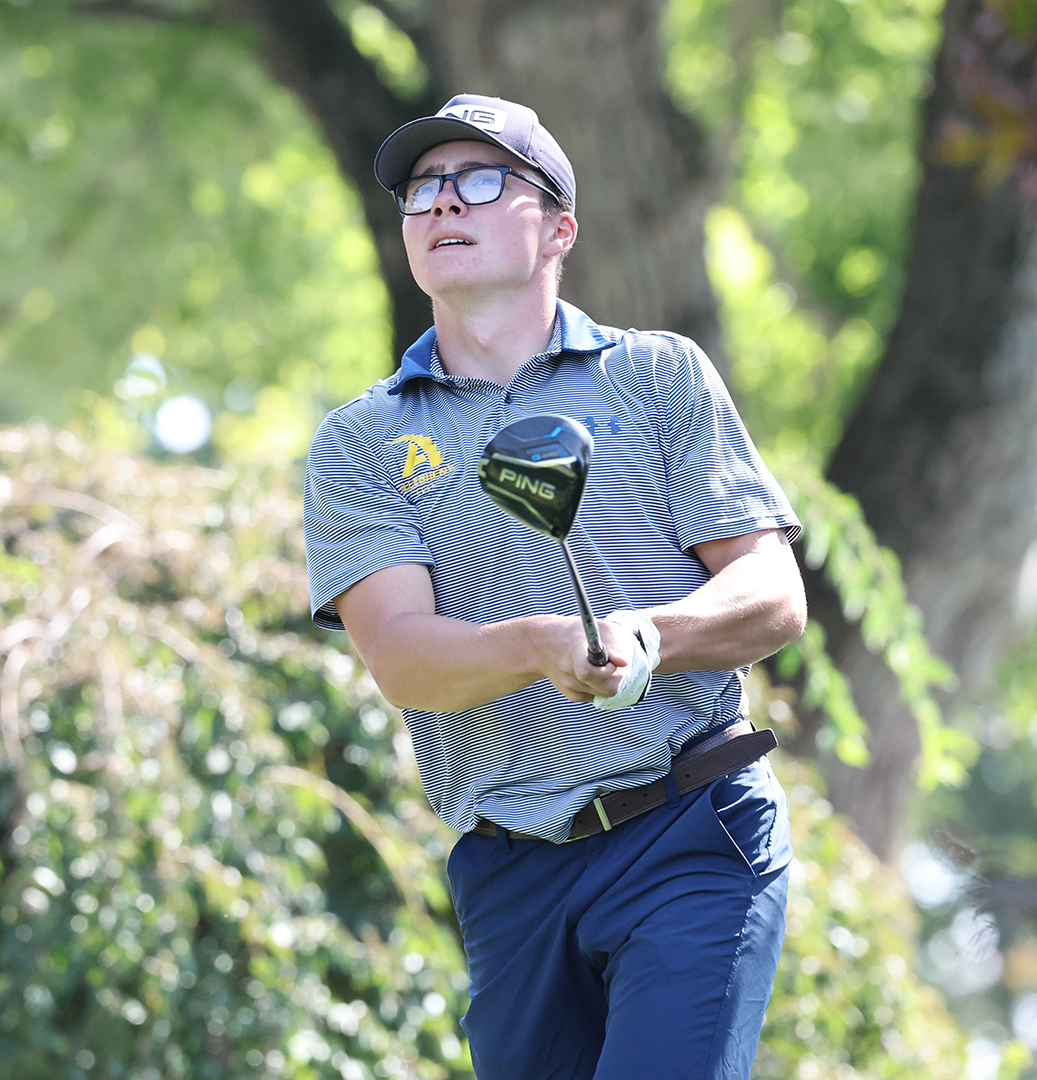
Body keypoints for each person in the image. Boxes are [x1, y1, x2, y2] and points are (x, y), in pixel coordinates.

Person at [302, 93, 808, 1080]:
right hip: (511, 869)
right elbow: (402, 657)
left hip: (690, 831)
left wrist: (646, 637)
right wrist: (542, 646)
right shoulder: (358, 442)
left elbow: (771, 593)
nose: (443, 204)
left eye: (481, 181)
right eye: (422, 190)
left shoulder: (660, 377)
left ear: (558, 229)